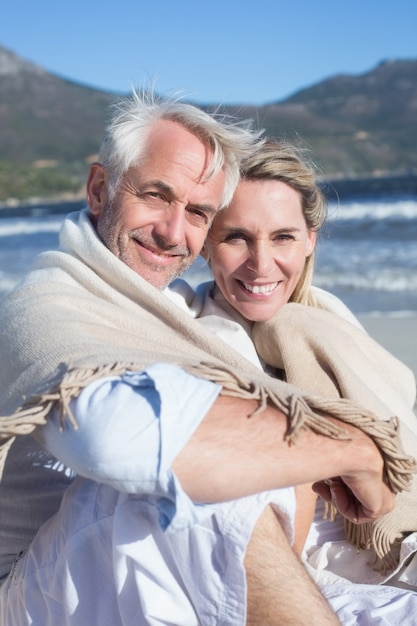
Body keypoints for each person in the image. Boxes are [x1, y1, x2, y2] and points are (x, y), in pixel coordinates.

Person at [0, 90, 412, 625]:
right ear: (100, 189)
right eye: (155, 195)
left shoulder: (171, 311)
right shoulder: (50, 303)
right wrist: (351, 446)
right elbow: (121, 438)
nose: (174, 231)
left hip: (129, 569)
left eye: (197, 212)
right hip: (34, 589)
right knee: (189, 483)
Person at [169, 138, 417, 610]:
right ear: (205, 246)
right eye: (236, 237)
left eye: (282, 237)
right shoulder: (185, 328)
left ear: (310, 240)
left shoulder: (328, 318)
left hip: (383, 540)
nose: (261, 264)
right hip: (289, 563)